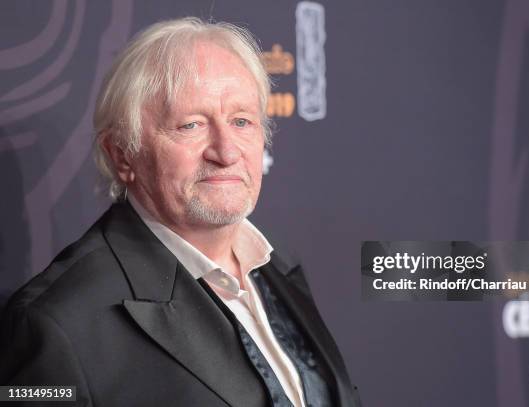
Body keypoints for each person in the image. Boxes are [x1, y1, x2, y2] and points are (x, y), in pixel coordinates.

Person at [0, 17, 361, 407]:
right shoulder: (56, 324)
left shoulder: (278, 267)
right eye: (191, 125)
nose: (225, 152)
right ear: (122, 154)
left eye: (241, 121)